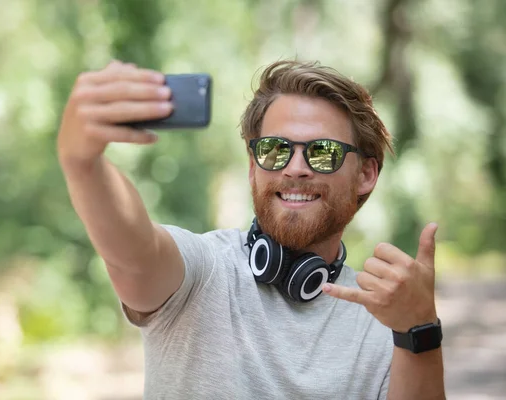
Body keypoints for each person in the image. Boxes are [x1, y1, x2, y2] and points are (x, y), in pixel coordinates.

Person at [57, 60, 445, 399]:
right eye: (274, 149)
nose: (294, 168)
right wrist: (83, 165)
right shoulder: (202, 272)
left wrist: (418, 329)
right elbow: (133, 251)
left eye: (322, 151)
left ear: (365, 174)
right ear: (252, 167)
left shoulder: (387, 321)